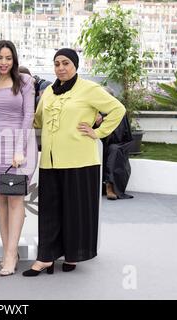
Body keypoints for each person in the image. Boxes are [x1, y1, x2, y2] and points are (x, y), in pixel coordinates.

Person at [23, 48, 126, 276]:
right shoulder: (49, 91)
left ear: (75, 65)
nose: (61, 68)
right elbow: (38, 119)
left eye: (66, 63)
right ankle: (45, 258)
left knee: (75, 212)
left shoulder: (89, 89)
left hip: (80, 161)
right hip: (50, 162)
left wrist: (98, 132)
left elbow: (118, 109)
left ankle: (73, 254)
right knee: (49, 212)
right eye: (57, 63)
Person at [0, 40, 37, 276]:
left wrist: (20, 149)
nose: (4, 62)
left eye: (8, 58)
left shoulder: (25, 81)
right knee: (1, 199)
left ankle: (10, 254)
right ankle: (9, 250)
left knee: (16, 200)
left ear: (14, 59)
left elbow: (28, 116)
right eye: (0, 58)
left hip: (19, 146)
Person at [95, 112, 134, 200]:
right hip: (90, 137)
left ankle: (110, 186)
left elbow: (121, 135)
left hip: (116, 142)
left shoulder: (116, 108)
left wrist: (103, 119)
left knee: (114, 150)